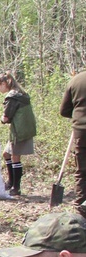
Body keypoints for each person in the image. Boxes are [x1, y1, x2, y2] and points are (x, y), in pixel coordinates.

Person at [0, 71, 36, 196]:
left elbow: (6, 117)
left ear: (4, 83)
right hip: (25, 128)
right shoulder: (22, 93)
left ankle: (16, 187)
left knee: (15, 156)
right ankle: (10, 182)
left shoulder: (12, 97)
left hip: (19, 131)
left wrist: (2, 118)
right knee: (6, 153)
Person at [60, 69, 86, 218]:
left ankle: (82, 209)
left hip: (81, 132)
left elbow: (64, 110)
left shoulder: (75, 80)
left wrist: (78, 115)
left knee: (82, 171)